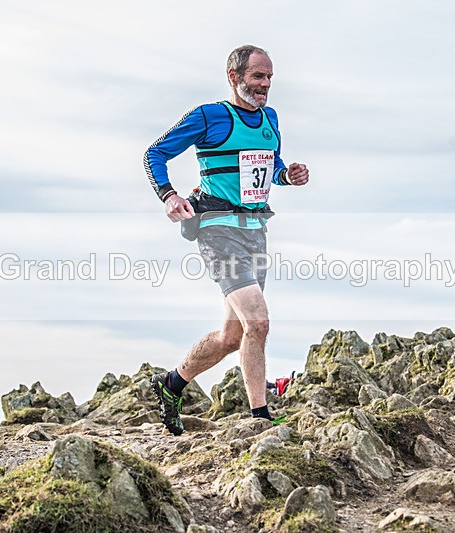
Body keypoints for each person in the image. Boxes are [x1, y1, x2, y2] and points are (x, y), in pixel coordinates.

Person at [143, 44, 309, 435]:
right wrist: (169, 196)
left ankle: (172, 384)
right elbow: (154, 154)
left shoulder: (270, 118)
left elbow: (271, 167)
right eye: (257, 76)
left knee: (233, 336)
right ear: (234, 77)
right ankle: (261, 418)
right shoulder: (209, 116)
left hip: (256, 232)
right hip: (217, 230)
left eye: (269, 77)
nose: (265, 85)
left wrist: (289, 175)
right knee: (260, 321)